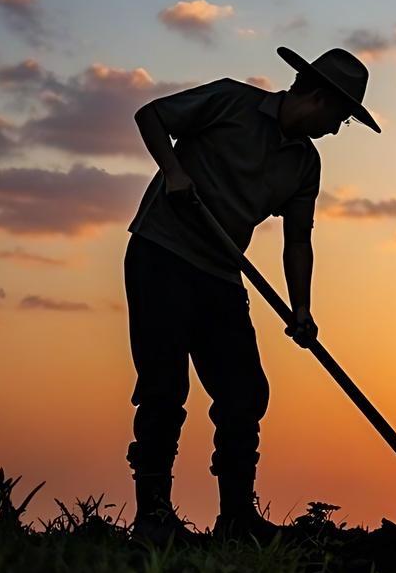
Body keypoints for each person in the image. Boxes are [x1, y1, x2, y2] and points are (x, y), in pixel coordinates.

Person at [124, 46, 379, 545]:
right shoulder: (231, 101)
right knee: (164, 387)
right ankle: (153, 518)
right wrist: (174, 171)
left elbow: (298, 240)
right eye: (340, 117)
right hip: (162, 253)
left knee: (244, 393)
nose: (337, 129)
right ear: (319, 98)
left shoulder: (304, 164)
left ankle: (237, 520)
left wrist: (302, 308)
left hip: (221, 272)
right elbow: (150, 116)